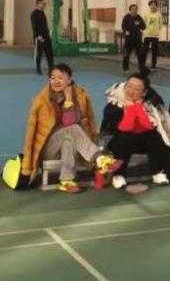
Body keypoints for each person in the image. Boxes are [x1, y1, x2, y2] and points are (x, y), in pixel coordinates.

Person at [20, 63, 121, 193]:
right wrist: (28, 164)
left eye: (60, 78)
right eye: (53, 77)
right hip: (47, 148)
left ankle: (66, 180)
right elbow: (31, 133)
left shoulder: (79, 96)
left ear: (69, 80)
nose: (56, 81)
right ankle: (99, 159)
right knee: (72, 129)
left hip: (73, 142)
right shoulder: (42, 100)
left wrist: (68, 98)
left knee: (69, 138)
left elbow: (77, 121)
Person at [102, 73, 170, 189]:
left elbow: (149, 126)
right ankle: (119, 175)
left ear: (144, 92)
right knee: (123, 138)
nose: (131, 91)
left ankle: (157, 172)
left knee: (157, 138)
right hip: (121, 140)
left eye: (136, 89)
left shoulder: (151, 103)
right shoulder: (114, 103)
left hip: (143, 138)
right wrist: (130, 107)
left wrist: (138, 107)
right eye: (129, 86)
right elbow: (124, 128)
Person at [30, 0, 54, 76]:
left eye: (44, 4)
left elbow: (44, 25)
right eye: (43, 4)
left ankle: (51, 69)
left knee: (49, 53)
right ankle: (38, 69)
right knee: (39, 54)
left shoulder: (42, 13)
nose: (44, 5)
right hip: (39, 37)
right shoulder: (34, 14)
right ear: (38, 4)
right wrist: (37, 36)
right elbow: (34, 26)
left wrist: (48, 34)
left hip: (46, 36)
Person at [121, 4, 145, 72]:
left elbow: (144, 26)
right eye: (133, 9)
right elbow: (123, 26)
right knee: (127, 54)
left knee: (140, 54)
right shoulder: (126, 17)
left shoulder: (139, 17)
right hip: (129, 39)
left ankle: (141, 68)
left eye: (135, 9)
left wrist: (139, 24)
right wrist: (125, 31)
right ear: (130, 10)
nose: (134, 10)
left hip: (137, 39)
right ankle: (125, 68)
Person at [143, 0, 163, 71]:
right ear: (149, 6)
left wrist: (157, 31)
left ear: (156, 6)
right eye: (152, 4)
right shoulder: (146, 14)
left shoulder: (159, 14)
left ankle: (153, 66)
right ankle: (143, 64)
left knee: (154, 51)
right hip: (147, 35)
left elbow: (160, 24)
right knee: (145, 50)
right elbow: (144, 23)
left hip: (155, 36)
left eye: (154, 5)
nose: (153, 6)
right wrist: (145, 31)